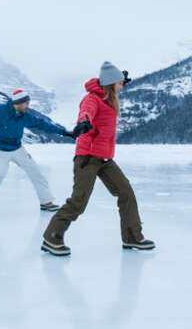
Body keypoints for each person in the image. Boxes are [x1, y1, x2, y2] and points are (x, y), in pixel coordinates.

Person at [42, 62, 155, 256]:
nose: (123, 86)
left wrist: (122, 78)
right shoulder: (92, 98)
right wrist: (84, 122)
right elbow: (86, 112)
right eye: (120, 83)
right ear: (111, 83)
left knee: (126, 192)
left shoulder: (109, 99)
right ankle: (52, 237)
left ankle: (132, 237)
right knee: (79, 201)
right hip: (87, 157)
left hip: (105, 159)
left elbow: (115, 88)